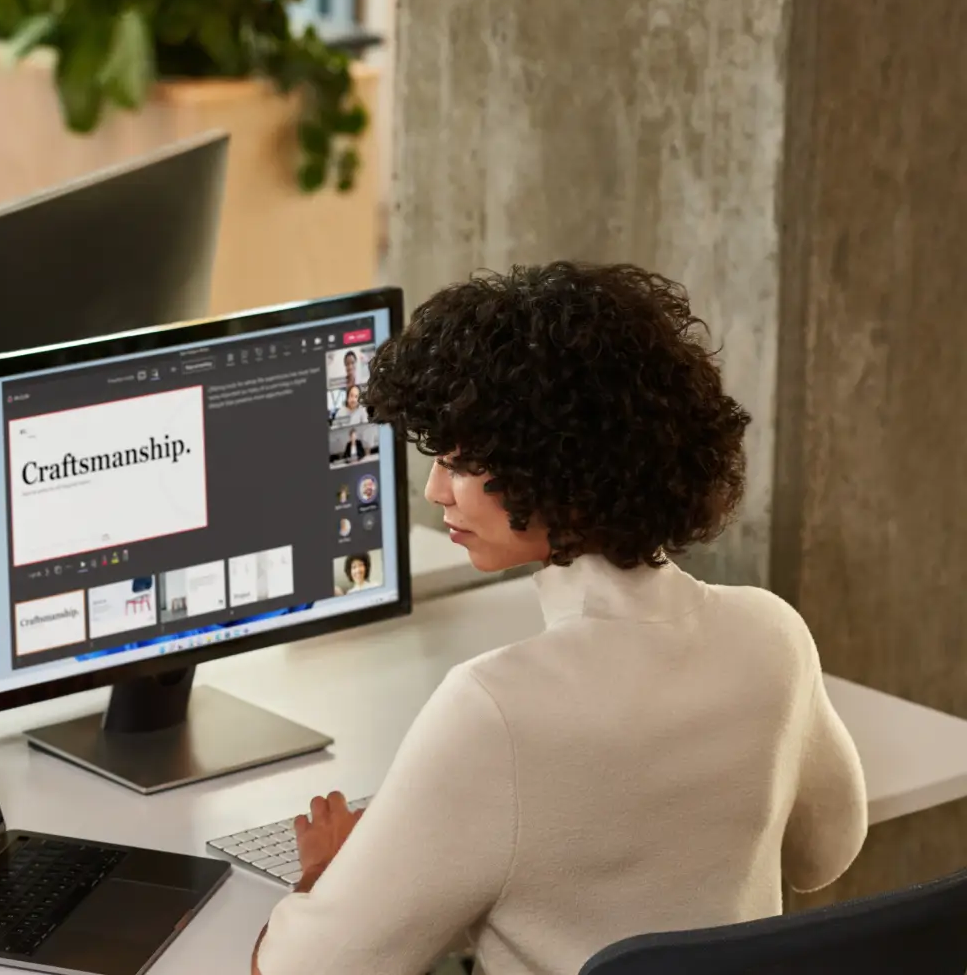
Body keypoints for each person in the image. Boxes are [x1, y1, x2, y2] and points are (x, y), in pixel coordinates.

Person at [253, 263, 866, 975]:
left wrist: (332, 872)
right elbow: (826, 853)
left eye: (462, 461)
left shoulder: (494, 709)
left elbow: (307, 971)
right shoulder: (773, 634)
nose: (435, 489)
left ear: (561, 470)